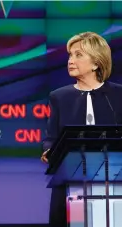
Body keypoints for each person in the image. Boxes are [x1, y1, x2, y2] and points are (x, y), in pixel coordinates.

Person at [41, 31, 122, 227]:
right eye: (70, 55)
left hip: (112, 180)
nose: (71, 60)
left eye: (78, 55)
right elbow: (52, 136)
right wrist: (48, 150)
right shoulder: (59, 96)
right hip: (70, 180)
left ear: (96, 63)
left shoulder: (118, 95)